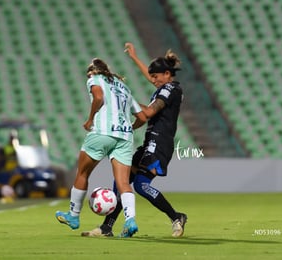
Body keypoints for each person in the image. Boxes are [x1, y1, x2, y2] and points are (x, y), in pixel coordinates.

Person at [82, 43, 188, 238]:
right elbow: (144, 111)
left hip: (160, 145)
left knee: (140, 185)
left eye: (156, 77)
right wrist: (134, 56)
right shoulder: (164, 87)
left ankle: (176, 217)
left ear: (166, 74)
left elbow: (147, 113)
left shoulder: (171, 89)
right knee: (122, 181)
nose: (153, 80)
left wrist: (123, 100)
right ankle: (107, 227)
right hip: (149, 144)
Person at [55, 58, 146, 237]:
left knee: (82, 173)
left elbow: (98, 97)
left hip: (102, 133)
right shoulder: (124, 88)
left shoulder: (95, 79)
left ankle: (73, 216)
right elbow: (142, 117)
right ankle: (130, 220)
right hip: (125, 137)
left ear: (94, 71)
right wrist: (128, 128)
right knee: (123, 183)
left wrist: (90, 119)